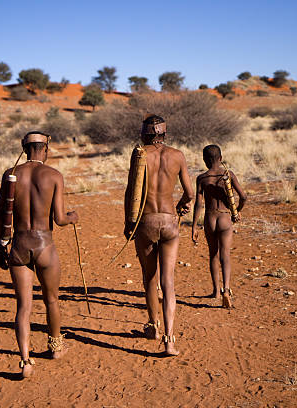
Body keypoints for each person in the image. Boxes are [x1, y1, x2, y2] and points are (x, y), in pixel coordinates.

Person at [0, 131, 78, 379]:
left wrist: (1, 247)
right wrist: (73, 217)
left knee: (24, 306)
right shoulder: (53, 175)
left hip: (19, 245)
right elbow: (60, 219)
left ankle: (25, 361)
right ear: (45, 149)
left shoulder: (11, 174)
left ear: (25, 147)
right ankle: (55, 348)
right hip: (45, 246)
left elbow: (0, 215)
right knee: (51, 300)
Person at [124, 114, 194, 356]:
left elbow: (131, 190)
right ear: (164, 133)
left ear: (145, 133)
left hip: (145, 222)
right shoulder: (177, 155)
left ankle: (153, 326)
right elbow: (190, 192)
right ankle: (169, 340)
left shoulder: (140, 154)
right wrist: (181, 206)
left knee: (149, 278)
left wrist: (128, 224)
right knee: (169, 282)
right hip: (169, 222)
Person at [191, 144, 246, 308]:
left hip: (210, 218)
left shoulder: (201, 178)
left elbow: (198, 204)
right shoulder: (228, 175)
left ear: (204, 160)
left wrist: (194, 226)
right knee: (225, 255)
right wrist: (236, 211)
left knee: (213, 254)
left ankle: (215, 290)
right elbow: (244, 197)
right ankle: (226, 290)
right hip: (224, 217)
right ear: (220, 158)